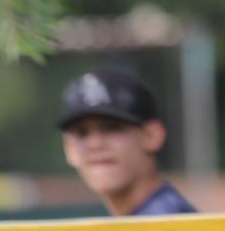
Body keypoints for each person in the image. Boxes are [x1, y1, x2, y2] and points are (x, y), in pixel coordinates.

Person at [57, 68, 197, 216]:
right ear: (69, 149)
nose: (95, 144)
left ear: (152, 136)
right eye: (81, 133)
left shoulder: (167, 223)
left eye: (112, 127)